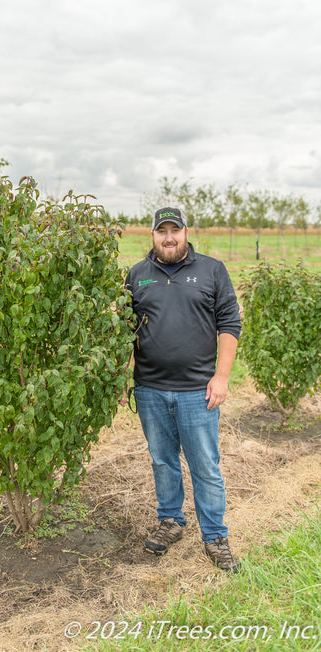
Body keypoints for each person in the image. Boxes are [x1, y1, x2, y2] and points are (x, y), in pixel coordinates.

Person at [124, 206, 242, 573]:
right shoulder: (137, 275)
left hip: (197, 391)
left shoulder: (212, 270)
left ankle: (215, 536)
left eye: (175, 231)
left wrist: (220, 377)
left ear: (186, 233)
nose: (169, 238)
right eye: (163, 231)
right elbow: (124, 331)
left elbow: (230, 323)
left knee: (205, 465)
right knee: (162, 461)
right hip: (150, 389)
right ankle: (171, 520)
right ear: (152, 234)